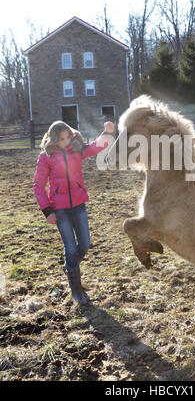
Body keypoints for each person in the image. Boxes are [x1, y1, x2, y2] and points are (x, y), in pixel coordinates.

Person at [33, 120, 114, 304]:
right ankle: (77, 292)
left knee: (85, 244)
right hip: (60, 210)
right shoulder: (45, 157)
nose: (67, 141)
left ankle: (70, 267)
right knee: (70, 248)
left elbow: (94, 148)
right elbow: (38, 185)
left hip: (78, 205)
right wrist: (47, 211)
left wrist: (107, 133)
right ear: (54, 139)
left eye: (68, 136)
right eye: (62, 139)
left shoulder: (76, 149)